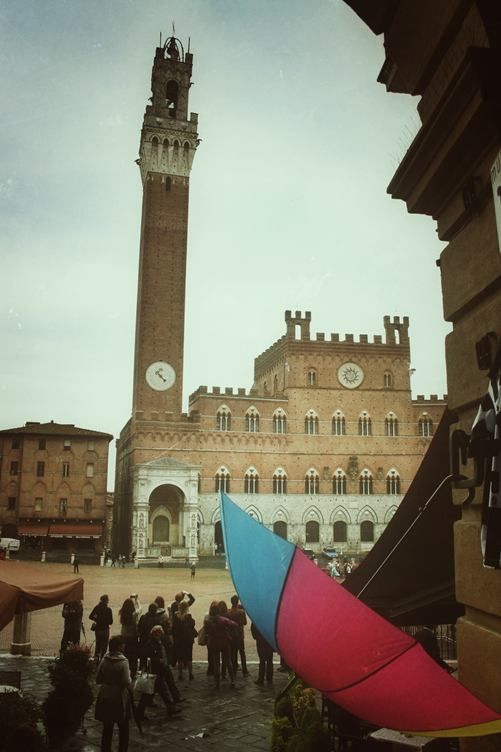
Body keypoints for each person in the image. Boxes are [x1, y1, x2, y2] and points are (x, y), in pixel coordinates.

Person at [136, 626, 183, 721]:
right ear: (153, 634)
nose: (159, 635)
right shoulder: (150, 645)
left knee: (160, 691)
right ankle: (140, 712)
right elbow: (145, 658)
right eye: (157, 633)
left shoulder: (160, 643)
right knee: (152, 693)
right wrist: (158, 660)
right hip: (155, 672)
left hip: (160, 671)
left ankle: (170, 708)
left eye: (160, 633)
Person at [95, 635, 132, 752]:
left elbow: (98, 679)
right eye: (123, 644)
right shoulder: (124, 662)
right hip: (119, 696)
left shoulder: (104, 660)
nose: (124, 646)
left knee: (107, 727)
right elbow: (126, 681)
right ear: (119, 647)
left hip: (105, 695)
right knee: (123, 727)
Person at [205, 602, 238, 689]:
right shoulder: (223, 620)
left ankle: (217, 683)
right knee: (228, 661)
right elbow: (235, 624)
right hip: (224, 642)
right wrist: (227, 630)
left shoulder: (207, 621)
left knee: (216, 663)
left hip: (214, 643)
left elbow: (206, 632)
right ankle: (232, 681)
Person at [172, 600, 197, 681]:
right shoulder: (189, 616)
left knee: (180, 658)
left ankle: (180, 675)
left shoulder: (176, 616)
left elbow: (173, 628)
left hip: (179, 640)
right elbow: (192, 625)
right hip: (188, 640)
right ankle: (190, 674)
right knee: (189, 657)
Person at [119, 595, 141, 678]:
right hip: (133, 637)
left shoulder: (122, 613)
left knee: (125, 654)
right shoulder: (134, 614)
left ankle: (125, 671)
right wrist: (136, 600)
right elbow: (140, 609)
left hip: (124, 637)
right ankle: (133, 672)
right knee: (133, 655)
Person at [228, 595, 249, 676]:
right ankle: (245, 670)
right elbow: (245, 623)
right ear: (237, 601)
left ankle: (234, 669)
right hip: (240, 635)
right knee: (242, 652)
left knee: (233, 652)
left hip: (232, 635)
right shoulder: (241, 612)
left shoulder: (228, 611)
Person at [90, 594, 113, 663]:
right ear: (106, 601)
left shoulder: (97, 607)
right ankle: (102, 662)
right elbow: (111, 622)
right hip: (105, 630)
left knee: (98, 645)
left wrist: (97, 619)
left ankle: (96, 661)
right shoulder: (108, 609)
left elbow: (91, 616)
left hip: (98, 629)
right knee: (104, 647)